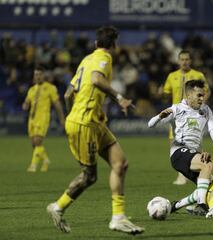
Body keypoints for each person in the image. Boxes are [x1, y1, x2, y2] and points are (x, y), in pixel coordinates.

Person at [46, 26, 144, 235]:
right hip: (85, 123)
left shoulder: (86, 60)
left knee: (120, 163)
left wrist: (75, 114)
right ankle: (58, 206)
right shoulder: (105, 58)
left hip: (93, 122)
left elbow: (67, 93)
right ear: (114, 44)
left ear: (95, 43)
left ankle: (118, 217)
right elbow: (97, 80)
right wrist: (119, 98)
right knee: (89, 176)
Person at [148, 80, 213, 215]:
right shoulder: (177, 109)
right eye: (199, 95)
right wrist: (159, 117)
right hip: (179, 152)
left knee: (209, 188)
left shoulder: (206, 110)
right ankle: (201, 205)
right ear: (188, 96)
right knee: (208, 165)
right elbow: (150, 124)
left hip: (194, 154)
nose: (202, 98)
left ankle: (176, 205)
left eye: (203, 95)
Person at [160, 50, 211, 185]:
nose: (184, 61)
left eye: (187, 59)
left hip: (193, 114)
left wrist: (201, 105)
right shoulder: (172, 76)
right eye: (182, 59)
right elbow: (166, 93)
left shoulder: (198, 75)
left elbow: (207, 91)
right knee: (174, 142)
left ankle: (199, 170)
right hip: (178, 114)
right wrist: (161, 93)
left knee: (194, 141)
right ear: (178, 61)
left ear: (190, 60)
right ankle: (182, 175)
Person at [22, 65, 65, 172]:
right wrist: (25, 105)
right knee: (34, 143)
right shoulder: (31, 90)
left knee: (37, 141)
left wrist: (62, 118)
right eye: (36, 74)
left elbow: (57, 104)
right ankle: (46, 160)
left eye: (40, 74)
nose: (38, 77)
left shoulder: (50, 88)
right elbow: (26, 103)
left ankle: (33, 165)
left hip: (43, 117)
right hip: (32, 118)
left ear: (43, 75)